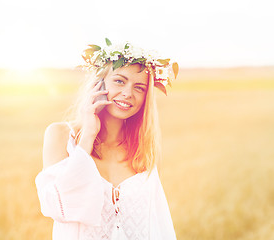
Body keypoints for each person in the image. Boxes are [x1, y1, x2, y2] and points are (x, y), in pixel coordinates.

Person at [35, 38, 179, 239]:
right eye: (119, 81)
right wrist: (88, 135)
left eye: (139, 87)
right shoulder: (60, 136)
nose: (128, 93)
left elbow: (158, 225)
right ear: (98, 83)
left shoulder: (143, 148)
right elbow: (58, 207)